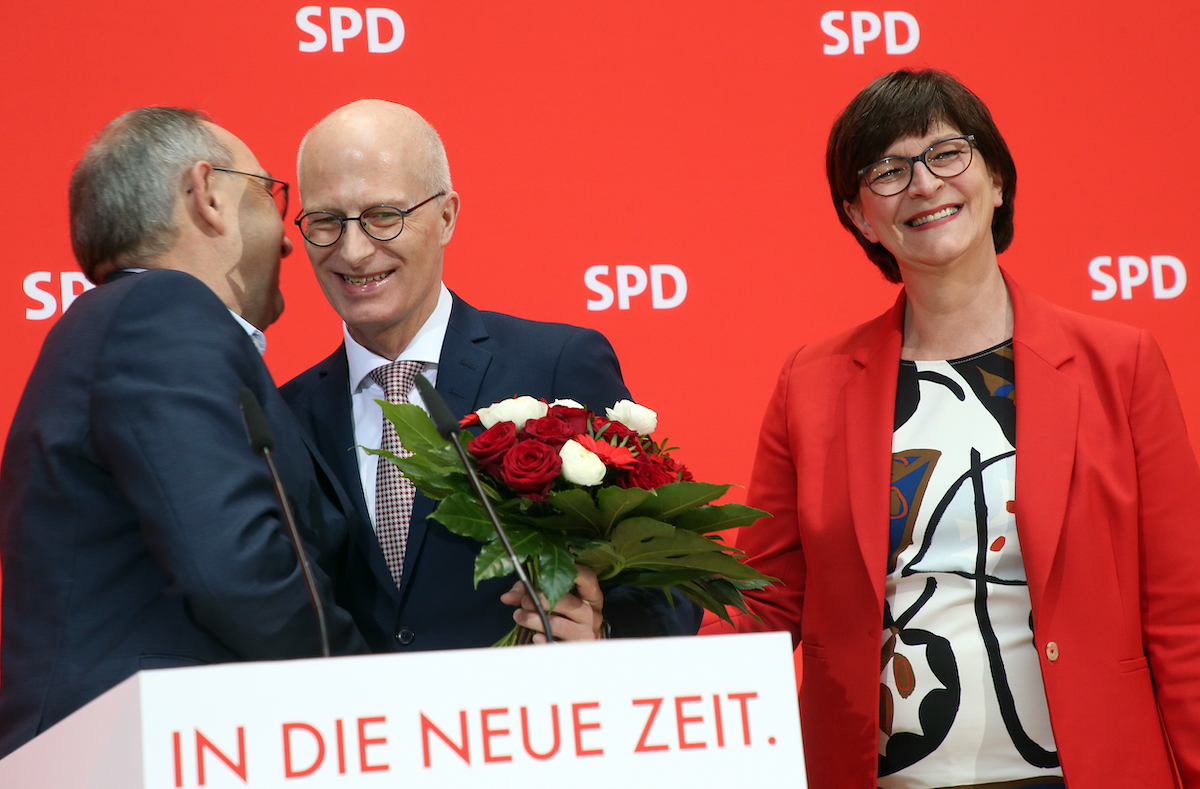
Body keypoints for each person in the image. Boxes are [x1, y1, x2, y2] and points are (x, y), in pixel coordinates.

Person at [702, 69, 1200, 789]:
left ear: (995, 179)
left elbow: (1183, 611)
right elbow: (766, 602)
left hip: (1088, 769)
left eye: (946, 153)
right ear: (860, 217)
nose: (924, 183)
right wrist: (625, 651)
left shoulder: (1119, 364)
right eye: (889, 170)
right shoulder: (811, 383)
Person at [0, 108, 367, 758]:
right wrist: (382, 698)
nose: (288, 239)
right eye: (271, 193)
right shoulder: (162, 311)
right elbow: (236, 567)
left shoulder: (115, 323)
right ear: (209, 194)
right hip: (135, 752)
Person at [282, 99, 700, 650]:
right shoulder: (283, 417)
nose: (354, 251)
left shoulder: (555, 363)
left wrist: (604, 632)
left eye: (384, 216)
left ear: (446, 215)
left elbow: (673, 578)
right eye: (327, 222)